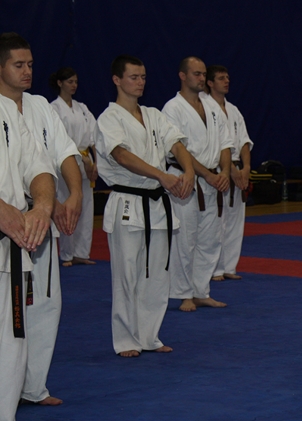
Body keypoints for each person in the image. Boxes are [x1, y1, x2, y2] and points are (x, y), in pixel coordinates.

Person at [0, 33, 82, 407]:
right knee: (11, 313)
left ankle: (33, 386)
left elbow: (63, 154)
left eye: (30, 64)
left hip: (41, 215)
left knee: (45, 303)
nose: (27, 71)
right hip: (10, 218)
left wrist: (74, 195)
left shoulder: (39, 107)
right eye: (19, 65)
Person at [96, 55, 194, 357]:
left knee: (157, 275)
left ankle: (149, 336)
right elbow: (121, 156)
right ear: (117, 80)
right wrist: (161, 175)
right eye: (133, 77)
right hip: (128, 202)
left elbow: (176, 144)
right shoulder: (109, 118)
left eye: (143, 77)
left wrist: (189, 171)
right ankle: (126, 339)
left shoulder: (153, 115)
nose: (140, 82)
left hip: (157, 203)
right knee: (127, 275)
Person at [0, 91, 56, 421]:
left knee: (10, 356)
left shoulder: (7, 111)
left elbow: (37, 165)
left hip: (8, 248)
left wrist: (42, 205)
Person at [162, 57, 233, 312]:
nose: (202, 78)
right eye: (196, 74)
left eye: (203, 74)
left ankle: (201, 290)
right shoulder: (172, 108)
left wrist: (225, 172)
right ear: (182, 76)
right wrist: (206, 174)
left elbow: (225, 143)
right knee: (185, 239)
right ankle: (184, 294)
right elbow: (178, 148)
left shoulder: (212, 106)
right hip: (186, 179)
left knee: (210, 240)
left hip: (214, 180)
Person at [205, 65, 253, 281]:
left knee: (235, 221)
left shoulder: (233, 110)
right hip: (218, 170)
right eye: (221, 78)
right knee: (217, 222)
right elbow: (217, 144)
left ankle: (229, 267)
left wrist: (246, 169)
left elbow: (244, 141)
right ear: (210, 83)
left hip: (237, 170)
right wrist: (232, 171)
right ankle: (215, 268)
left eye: (227, 78)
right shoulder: (205, 108)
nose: (226, 81)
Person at [49, 67, 98, 267]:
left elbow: (94, 136)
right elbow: (58, 139)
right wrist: (84, 160)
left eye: (76, 81)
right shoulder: (54, 108)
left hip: (87, 160)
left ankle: (81, 252)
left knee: (86, 207)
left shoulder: (82, 108)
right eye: (70, 81)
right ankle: (67, 253)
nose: (74, 85)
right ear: (60, 83)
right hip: (66, 161)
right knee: (67, 204)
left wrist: (96, 163)